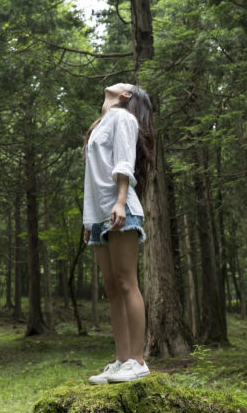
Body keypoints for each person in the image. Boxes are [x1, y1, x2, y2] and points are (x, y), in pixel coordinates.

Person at [82, 82, 154, 384]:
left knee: (126, 282)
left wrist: (122, 201)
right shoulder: (100, 125)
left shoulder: (124, 118)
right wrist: (88, 221)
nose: (118, 81)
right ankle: (121, 359)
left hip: (120, 207)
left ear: (126, 96)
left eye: (125, 84)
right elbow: (92, 177)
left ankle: (138, 361)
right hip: (99, 214)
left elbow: (125, 161)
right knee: (111, 288)